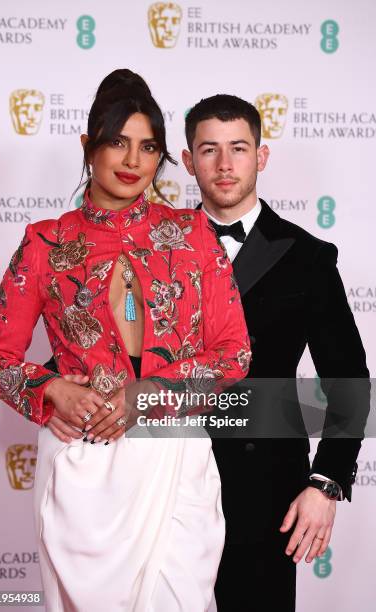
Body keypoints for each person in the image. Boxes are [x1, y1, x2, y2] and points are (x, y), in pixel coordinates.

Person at [0, 71, 251, 612]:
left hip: (171, 455)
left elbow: (234, 353)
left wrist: (142, 396)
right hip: (84, 466)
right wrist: (52, 387)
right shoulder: (46, 243)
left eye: (148, 147)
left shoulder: (194, 236)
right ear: (88, 146)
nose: (132, 161)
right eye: (117, 142)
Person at [181, 94, 369, 612]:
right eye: (209, 150)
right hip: (168, 477)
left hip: (267, 490)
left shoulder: (307, 256)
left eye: (239, 148)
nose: (224, 165)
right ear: (187, 158)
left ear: (261, 157)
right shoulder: (158, 248)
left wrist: (326, 484)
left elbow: (349, 378)